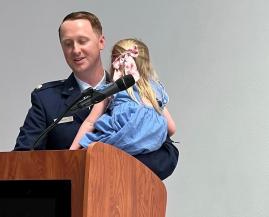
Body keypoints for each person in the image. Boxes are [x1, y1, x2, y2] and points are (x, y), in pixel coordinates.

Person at [14, 11, 179, 180]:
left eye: (82, 41)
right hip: (68, 198)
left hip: (124, 198)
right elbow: (22, 158)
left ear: (101, 42)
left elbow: (167, 154)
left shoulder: (134, 92)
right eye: (68, 44)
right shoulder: (47, 99)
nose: (75, 50)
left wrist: (110, 168)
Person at [70, 38, 176, 156]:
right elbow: (171, 128)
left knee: (90, 157)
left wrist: (71, 151)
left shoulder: (111, 90)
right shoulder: (154, 90)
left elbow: (90, 122)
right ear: (144, 64)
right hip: (147, 150)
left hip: (117, 144)